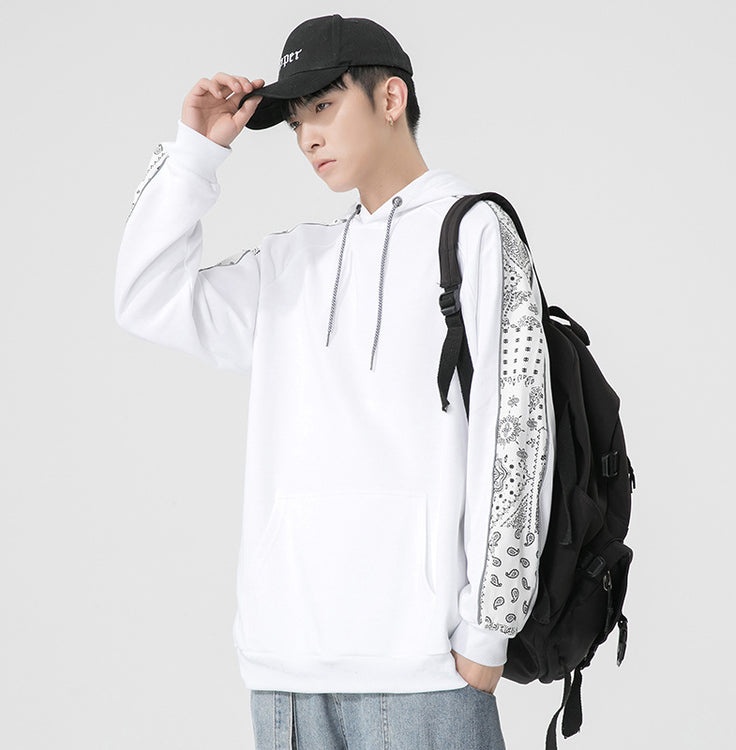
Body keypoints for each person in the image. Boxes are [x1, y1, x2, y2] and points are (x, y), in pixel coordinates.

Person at [114, 13, 556, 750]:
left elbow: (518, 430)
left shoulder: (476, 231)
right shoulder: (293, 262)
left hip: (425, 671)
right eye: (295, 122)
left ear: (390, 98)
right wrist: (195, 155)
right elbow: (145, 297)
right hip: (285, 670)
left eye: (323, 106)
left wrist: (490, 628)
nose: (307, 137)